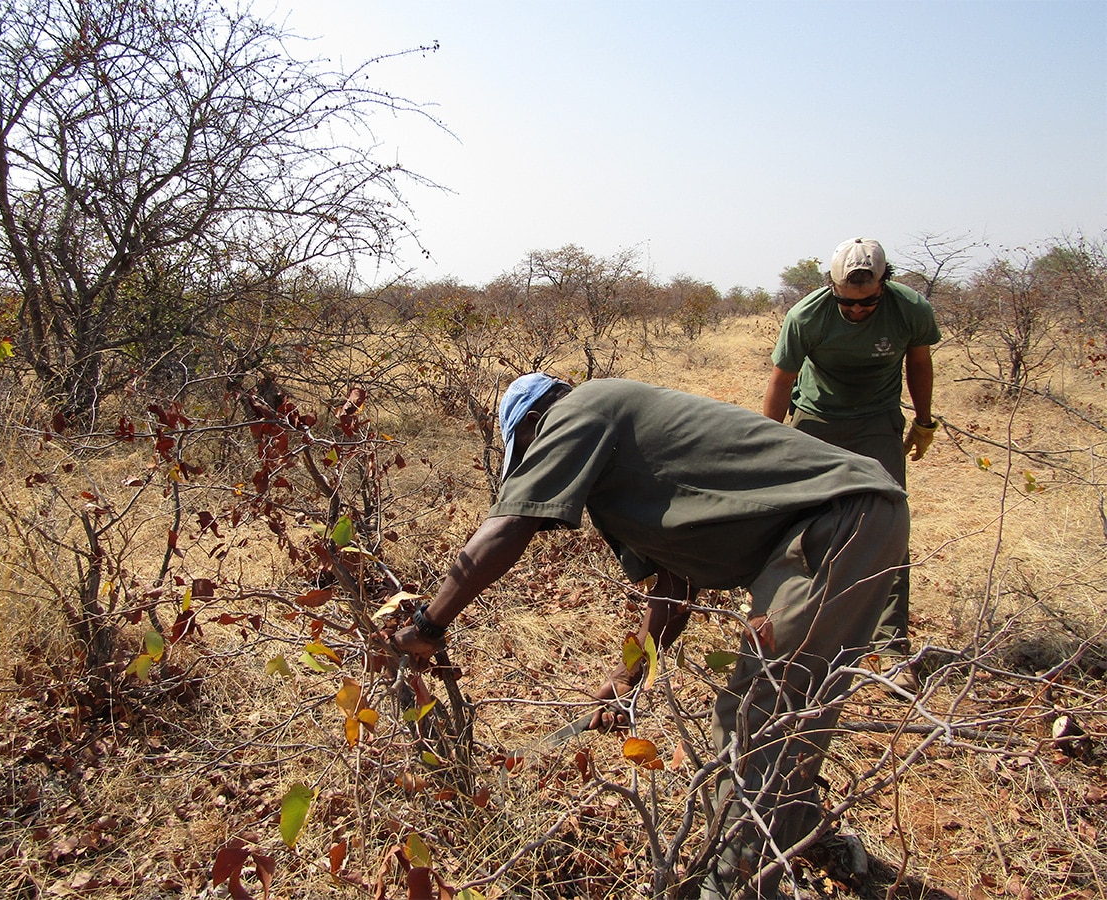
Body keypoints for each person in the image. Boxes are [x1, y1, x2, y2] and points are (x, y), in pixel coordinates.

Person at [392, 373, 909, 899]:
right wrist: (628, 675)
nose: (538, 462)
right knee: (794, 708)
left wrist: (428, 625)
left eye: (529, 452)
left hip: (839, 518)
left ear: (532, 424)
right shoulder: (623, 455)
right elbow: (674, 584)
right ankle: (792, 842)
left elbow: (512, 523)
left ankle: (734, 887)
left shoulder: (582, 409)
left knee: (760, 711)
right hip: (853, 515)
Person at [763, 238, 941, 692]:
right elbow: (781, 379)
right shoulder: (807, 316)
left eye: (868, 302)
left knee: (888, 526)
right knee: (796, 526)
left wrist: (923, 421)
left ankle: (892, 647)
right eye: (847, 302)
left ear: (885, 283)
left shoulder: (910, 309)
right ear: (832, 286)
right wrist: (768, 442)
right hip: (815, 420)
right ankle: (786, 631)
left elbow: (918, 365)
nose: (857, 310)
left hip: (876, 421)